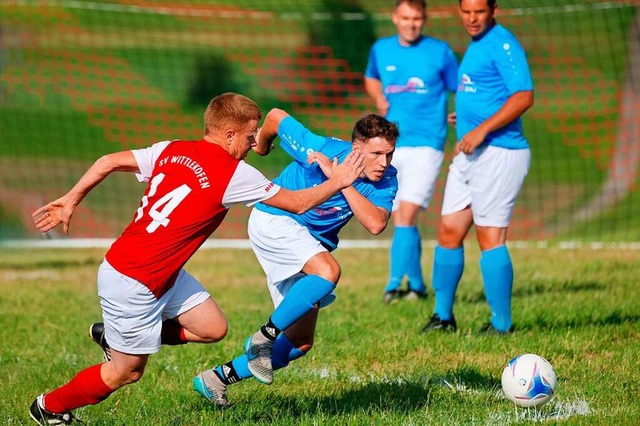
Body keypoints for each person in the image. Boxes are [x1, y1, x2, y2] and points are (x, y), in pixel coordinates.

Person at [27, 93, 366, 425]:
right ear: (229, 134)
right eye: (250, 136)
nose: (253, 143)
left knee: (212, 328)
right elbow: (297, 203)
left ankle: (112, 337)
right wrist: (338, 181)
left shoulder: (171, 149)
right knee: (125, 372)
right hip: (133, 280)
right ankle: (48, 408)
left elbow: (107, 161)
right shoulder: (234, 173)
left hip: (160, 271)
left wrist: (72, 198)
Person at [192, 108, 399, 407]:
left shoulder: (387, 178)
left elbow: (377, 223)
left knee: (300, 341)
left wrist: (343, 180)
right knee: (328, 271)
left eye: (389, 154)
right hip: (275, 219)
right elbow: (275, 117)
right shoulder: (322, 149)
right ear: (356, 149)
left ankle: (216, 379)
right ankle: (263, 338)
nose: (384, 163)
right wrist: (261, 146)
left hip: (308, 243)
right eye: (376, 153)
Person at [421, 0, 534, 334]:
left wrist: (482, 128)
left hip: (500, 152)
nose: (472, 18)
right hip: (471, 154)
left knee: (489, 236)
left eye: (479, 12)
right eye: (466, 11)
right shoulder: (477, 43)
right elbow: (486, 93)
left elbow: (523, 96)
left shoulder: (503, 43)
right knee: (449, 231)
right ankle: (443, 318)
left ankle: (502, 324)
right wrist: (467, 119)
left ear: (493, 9)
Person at [364, 0, 458, 303]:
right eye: (405, 18)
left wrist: (463, 115)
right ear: (395, 18)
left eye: (416, 18)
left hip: (427, 145)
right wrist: (378, 96)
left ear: (424, 19)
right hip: (389, 146)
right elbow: (371, 76)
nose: (411, 24)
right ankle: (416, 286)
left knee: (405, 214)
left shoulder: (440, 52)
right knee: (400, 215)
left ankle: (393, 285)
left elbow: (462, 88)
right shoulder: (381, 49)